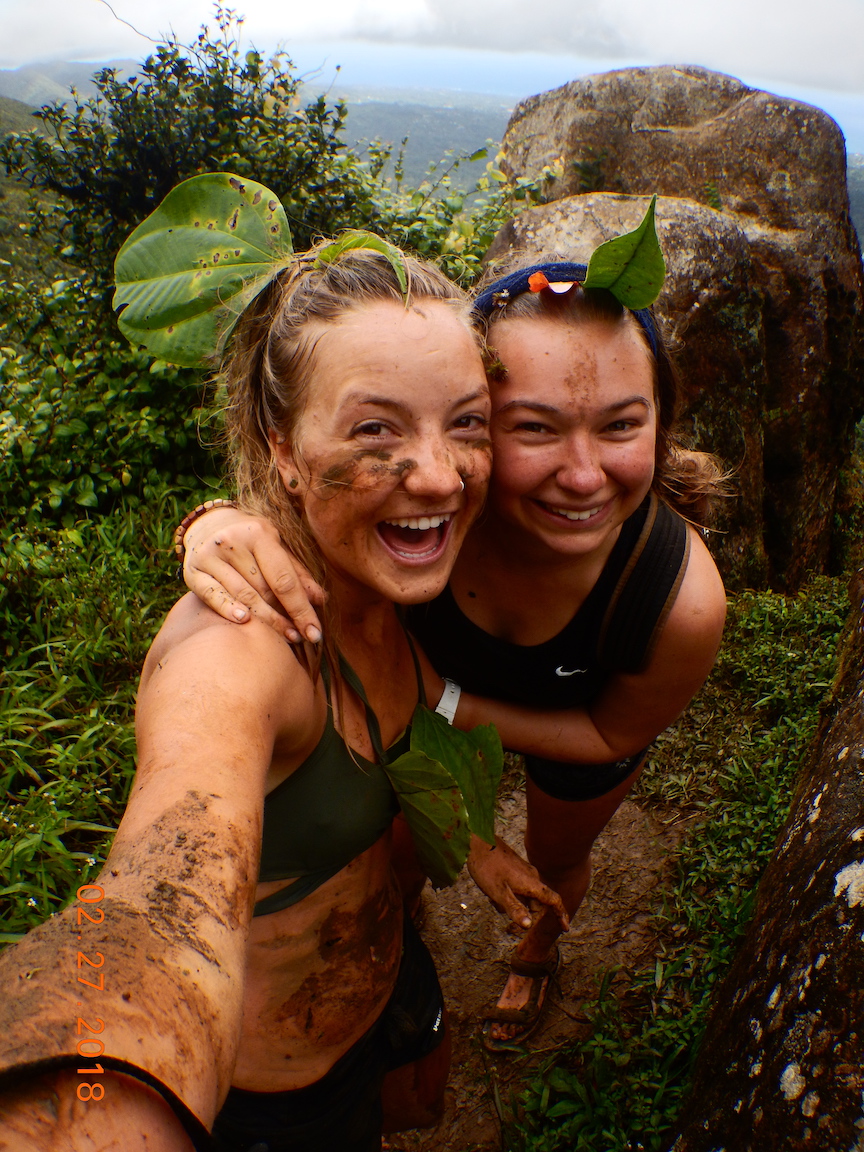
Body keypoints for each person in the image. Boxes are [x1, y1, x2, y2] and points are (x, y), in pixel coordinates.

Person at [0, 239, 567, 1152]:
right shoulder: (240, 647)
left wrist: (478, 844)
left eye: (466, 423)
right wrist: (92, 1092)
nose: (439, 474)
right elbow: (160, 899)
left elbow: (417, 717)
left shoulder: (390, 577)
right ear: (283, 449)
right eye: (375, 429)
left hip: (381, 991)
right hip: (276, 1089)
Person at [159, 256, 729, 1051]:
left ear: (661, 424)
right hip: (426, 711)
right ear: (475, 420)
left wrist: (442, 698)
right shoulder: (436, 507)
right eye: (532, 427)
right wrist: (216, 523)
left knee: (554, 859)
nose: (582, 476)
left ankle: (536, 953)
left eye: (622, 425)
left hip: (572, 722)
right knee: (399, 843)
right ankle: (394, 927)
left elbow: (609, 734)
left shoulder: (675, 601)